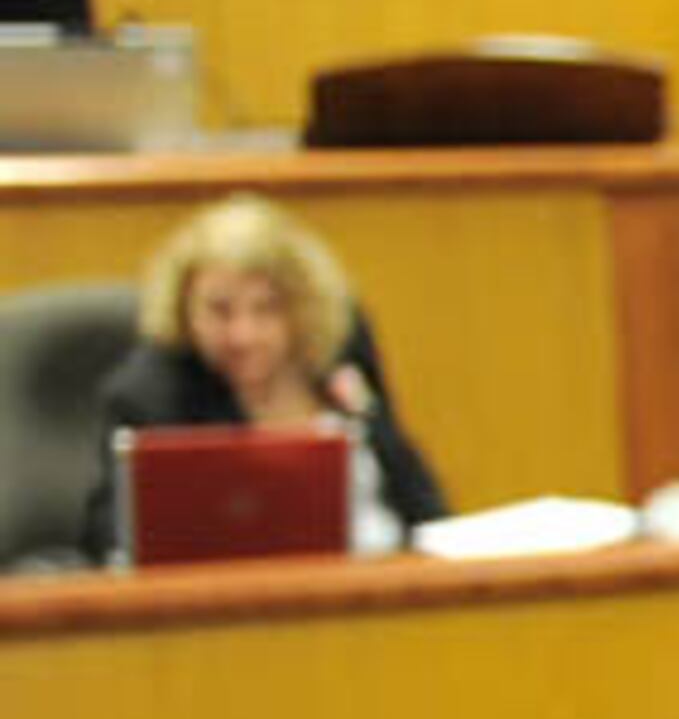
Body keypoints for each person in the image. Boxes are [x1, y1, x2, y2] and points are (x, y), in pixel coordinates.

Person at [84, 191, 448, 560]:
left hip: (381, 585)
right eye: (219, 310)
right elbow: (110, 538)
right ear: (184, 308)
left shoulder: (338, 355)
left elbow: (417, 495)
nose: (243, 335)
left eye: (266, 309)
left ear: (301, 307)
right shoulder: (149, 394)